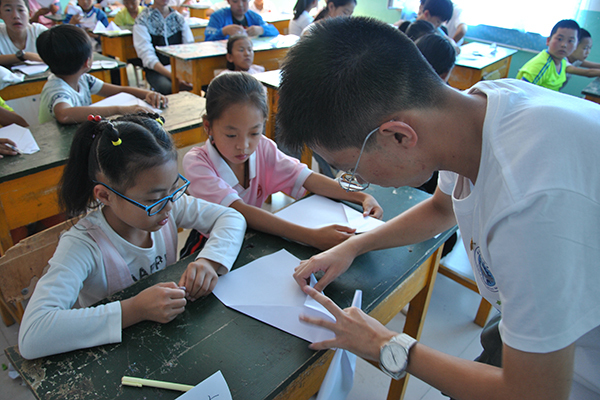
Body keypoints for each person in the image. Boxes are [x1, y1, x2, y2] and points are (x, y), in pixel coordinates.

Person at [276, 17, 600, 399]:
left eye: (352, 169)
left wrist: (384, 344)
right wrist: (353, 246)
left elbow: (535, 393)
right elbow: (441, 209)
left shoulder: (531, 206)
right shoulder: (471, 113)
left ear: (399, 136)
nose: (359, 182)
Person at [17, 113, 246, 360]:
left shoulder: (167, 206)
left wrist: (209, 261)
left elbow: (232, 218)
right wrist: (134, 309)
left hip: (166, 344)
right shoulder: (83, 245)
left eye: (172, 189)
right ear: (105, 196)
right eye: (154, 199)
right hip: (111, 358)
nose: (169, 206)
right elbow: (32, 334)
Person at [181, 72, 382, 256]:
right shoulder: (197, 163)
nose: (244, 145)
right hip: (209, 245)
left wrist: (361, 196)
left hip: (251, 239)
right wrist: (312, 236)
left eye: (254, 133)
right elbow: (239, 211)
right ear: (208, 126)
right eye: (231, 135)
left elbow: (306, 178)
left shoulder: (263, 148)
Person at [36, 24, 168, 124]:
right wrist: (119, 109)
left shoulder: (83, 79)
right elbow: (64, 114)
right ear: (87, 62)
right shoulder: (57, 88)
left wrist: (147, 94)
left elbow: (119, 90)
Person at [133, 0, 194, 94]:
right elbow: (147, 57)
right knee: (168, 88)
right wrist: (174, 78)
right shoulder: (143, 20)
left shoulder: (179, 18)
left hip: (180, 68)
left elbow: (189, 48)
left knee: (206, 82)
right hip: (157, 70)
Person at [516, 19, 580, 91]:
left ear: (576, 46)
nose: (564, 45)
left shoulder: (563, 61)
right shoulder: (541, 66)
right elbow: (520, 91)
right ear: (548, 41)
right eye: (559, 39)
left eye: (570, 41)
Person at [204, 0, 278, 41]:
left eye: (244, 1)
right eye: (235, 1)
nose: (240, 5)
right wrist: (223, 31)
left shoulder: (254, 16)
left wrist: (262, 30)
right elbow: (207, 41)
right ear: (228, 1)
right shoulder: (217, 17)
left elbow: (274, 31)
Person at [0, 0, 46, 67]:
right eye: (8, 10)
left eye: (21, 10)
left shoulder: (39, 32)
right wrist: (24, 56)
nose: (16, 16)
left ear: (30, 14)